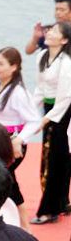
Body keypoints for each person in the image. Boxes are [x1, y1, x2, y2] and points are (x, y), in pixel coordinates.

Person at [0, 47, 42, 221]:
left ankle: (17, 218)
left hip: (10, 142)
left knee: (2, 177)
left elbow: (34, 121)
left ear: (14, 67)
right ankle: (9, 217)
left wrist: (19, 140)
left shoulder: (19, 92)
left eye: (1, 64)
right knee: (4, 179)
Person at [29, 21, 71, 225]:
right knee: (53, 158)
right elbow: (40, 90)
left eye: (54, 31)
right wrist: (29, 111)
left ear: (64, 40)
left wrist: (45, 120)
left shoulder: (67, 63)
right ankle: (60, 203)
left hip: (64, 113)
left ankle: (49, 209)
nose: (49, 32)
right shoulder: (42, 57)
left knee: (55, 158)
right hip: (49, 108)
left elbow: (65, 98)